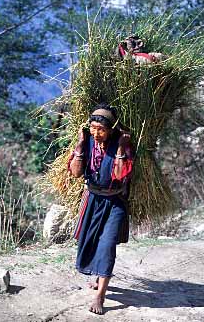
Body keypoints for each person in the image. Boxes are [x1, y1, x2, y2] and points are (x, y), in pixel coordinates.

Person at [68, 104, 134, 315]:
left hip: (115, 202)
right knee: (93, 240)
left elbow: (119, 175)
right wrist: (79, 144)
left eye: (102, 129)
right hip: (93, 200)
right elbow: (77, 173)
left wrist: (122, 147)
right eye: (93, 128)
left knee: (106, 245)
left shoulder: (121, 145)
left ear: (111, 130)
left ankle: (101, 295)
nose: (96, 133)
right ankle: (97, 277)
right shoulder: (87, 142)